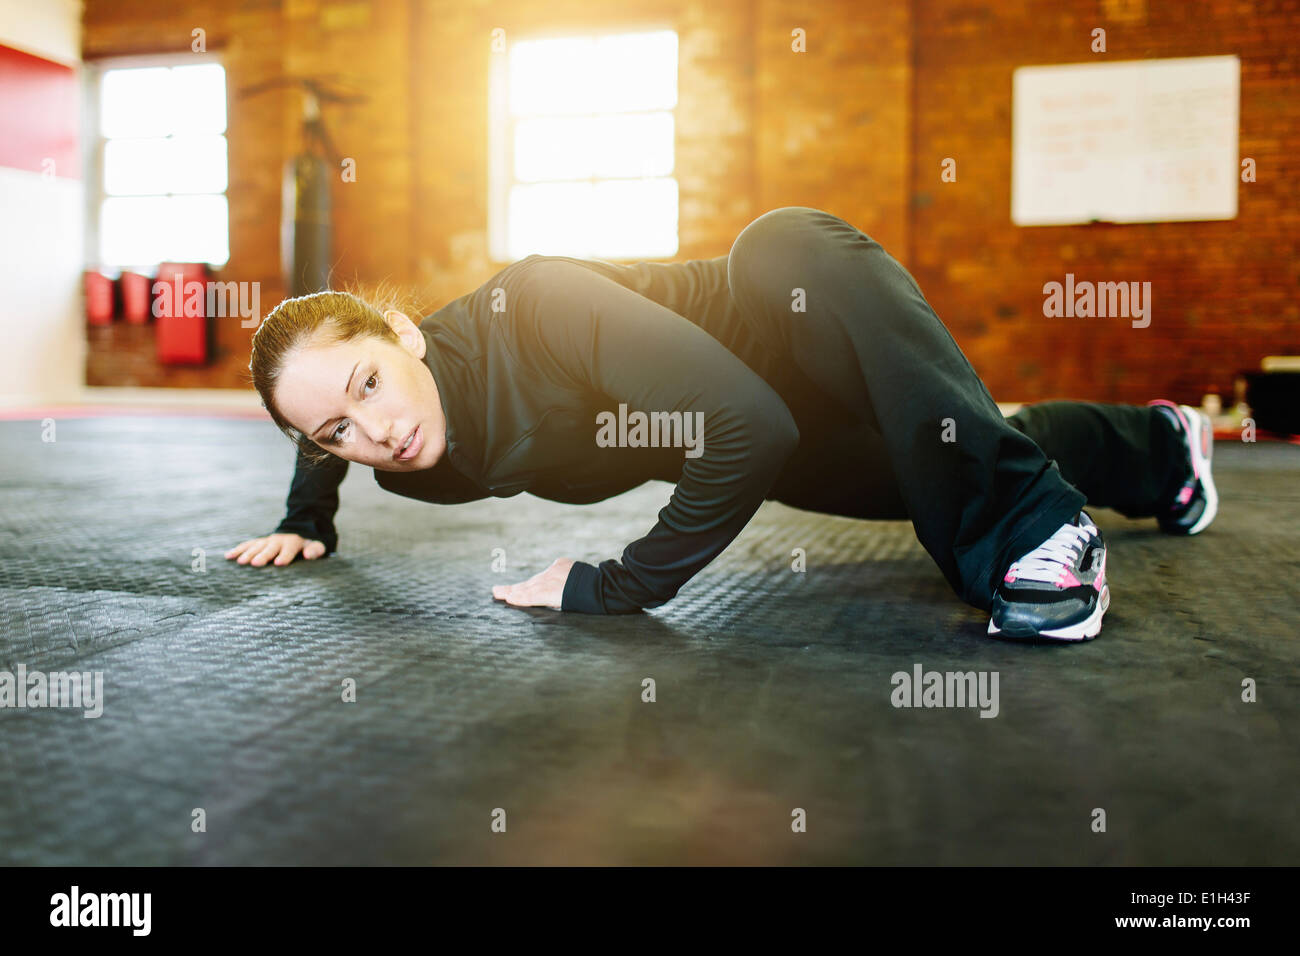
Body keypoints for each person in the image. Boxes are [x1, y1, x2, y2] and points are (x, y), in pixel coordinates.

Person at [225, 206, 1217, 641]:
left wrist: (619, 583)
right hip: (777, 439)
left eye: (367, 385)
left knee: (776, 245)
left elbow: (743, 420)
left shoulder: (536, 307)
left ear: (403, 330)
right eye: (334, 434)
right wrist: (309, 517)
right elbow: (314, 405)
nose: (372, 430)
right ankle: (1165, 448)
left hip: (799, 323)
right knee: (949, 455)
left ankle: (1035, 536)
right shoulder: (406, 460)